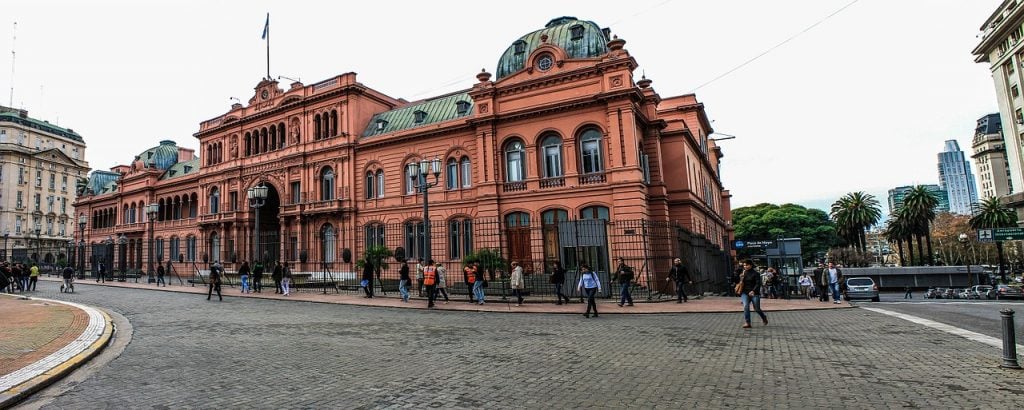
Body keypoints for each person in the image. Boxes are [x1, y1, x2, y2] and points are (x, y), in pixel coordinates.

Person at [737, 259, 768, 328]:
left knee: (757, 308)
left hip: (754, 293)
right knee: (746, 306)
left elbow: (758, 283)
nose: (745, 266)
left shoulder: (756, 273)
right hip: (745, 293)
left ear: (751, 265)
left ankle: (763, 317)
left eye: (747, 265)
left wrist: (753, 291)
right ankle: (747, 322)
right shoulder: (743, 273)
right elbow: (740, 282)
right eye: (744, 265)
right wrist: (740, 278)